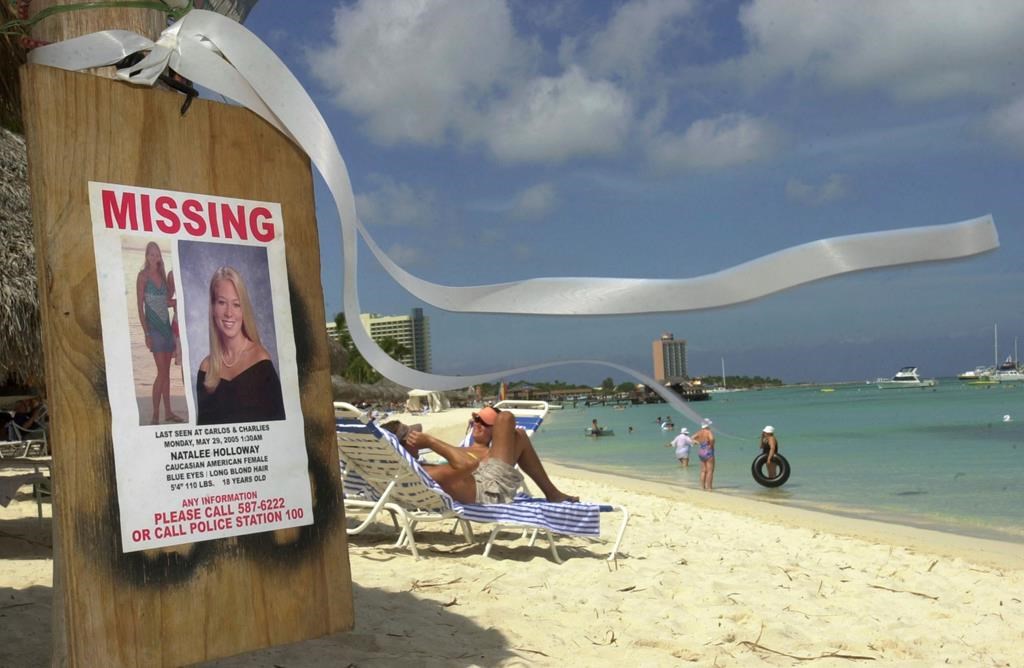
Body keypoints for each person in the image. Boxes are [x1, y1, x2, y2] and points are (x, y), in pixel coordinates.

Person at [400, 406, 578, 505]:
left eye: (484, 422)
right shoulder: (457, 452)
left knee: (511, 425)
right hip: (487, 488)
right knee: (509, 420)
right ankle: (553, 494)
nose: (477, 424)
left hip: (487, 480)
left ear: (497, 433)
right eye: (476, 420)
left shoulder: (491, 452)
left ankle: (553, 493)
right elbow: (467, 466)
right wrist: (430, 442)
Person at [196, 266, 285, 425]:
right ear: (213, 308)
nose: (229, 313)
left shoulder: (260, 360)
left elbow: (278, 433)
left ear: (244, 310)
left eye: (236, 304)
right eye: (222, 302)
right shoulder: (206, 368)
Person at [136, 242, 183, 425]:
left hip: (166, 328)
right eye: (152, 255)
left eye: (157, 255)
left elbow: (166, 301)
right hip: (154, 329)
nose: (155, 258)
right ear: (147, 256)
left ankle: (169, 412)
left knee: (166, 373)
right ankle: (155, 415)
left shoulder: (163, 276)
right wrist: (146, 333)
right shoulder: (143, 277)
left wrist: (179, 303)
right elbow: (140, 307)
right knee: (162, 372)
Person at [694, 418, 716, 490]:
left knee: (703, 470)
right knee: (710, 471)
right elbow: (711, 438)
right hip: (708, 451)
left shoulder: (699, 432)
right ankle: (709, 487)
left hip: (701, 451)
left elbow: (691, 438)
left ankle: (702, 487)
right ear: (708, 425)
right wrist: (711, 445)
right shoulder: (708, 432)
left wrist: (697, 442)